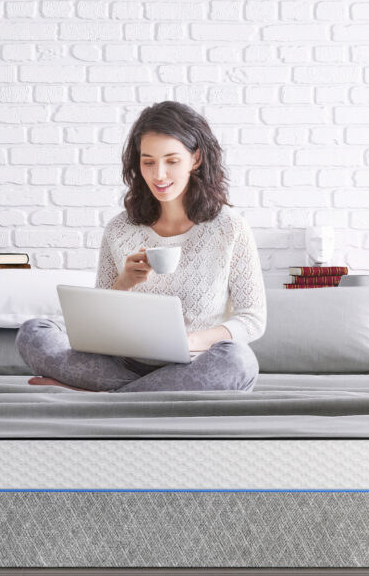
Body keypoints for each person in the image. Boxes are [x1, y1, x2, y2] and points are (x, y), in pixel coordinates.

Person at [17, 101, 266, 392]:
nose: (159, 175)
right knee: (33, 333)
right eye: (148, 162)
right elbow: (98, 323)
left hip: (196, 364)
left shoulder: (229, 227)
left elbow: (252, 319)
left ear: (195, 159)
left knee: (238, 361)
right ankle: (144, 394)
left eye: (171, 161)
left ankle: (105, 397)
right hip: (123, 364)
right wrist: (123, 283)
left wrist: (190, 342)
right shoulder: (120, 229)